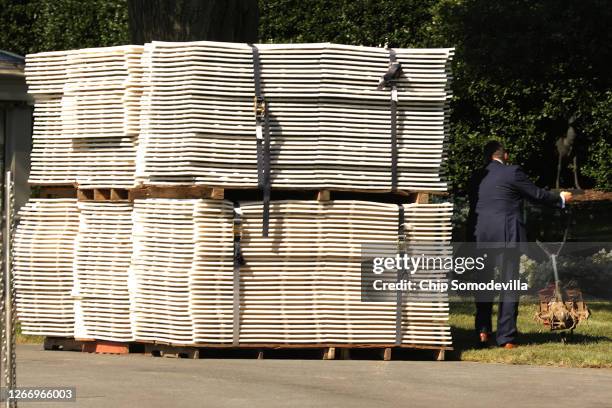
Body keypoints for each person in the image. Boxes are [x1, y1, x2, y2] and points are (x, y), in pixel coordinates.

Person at [467, 140, 573, 348]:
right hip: (506, 236)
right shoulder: (512, 172)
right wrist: (560, 198)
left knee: (483, 283)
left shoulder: (476, 177)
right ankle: (505, 338)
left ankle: (482, 331)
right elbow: (536, 194)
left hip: (481, 237)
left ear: (486, 157)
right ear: (504, 156)